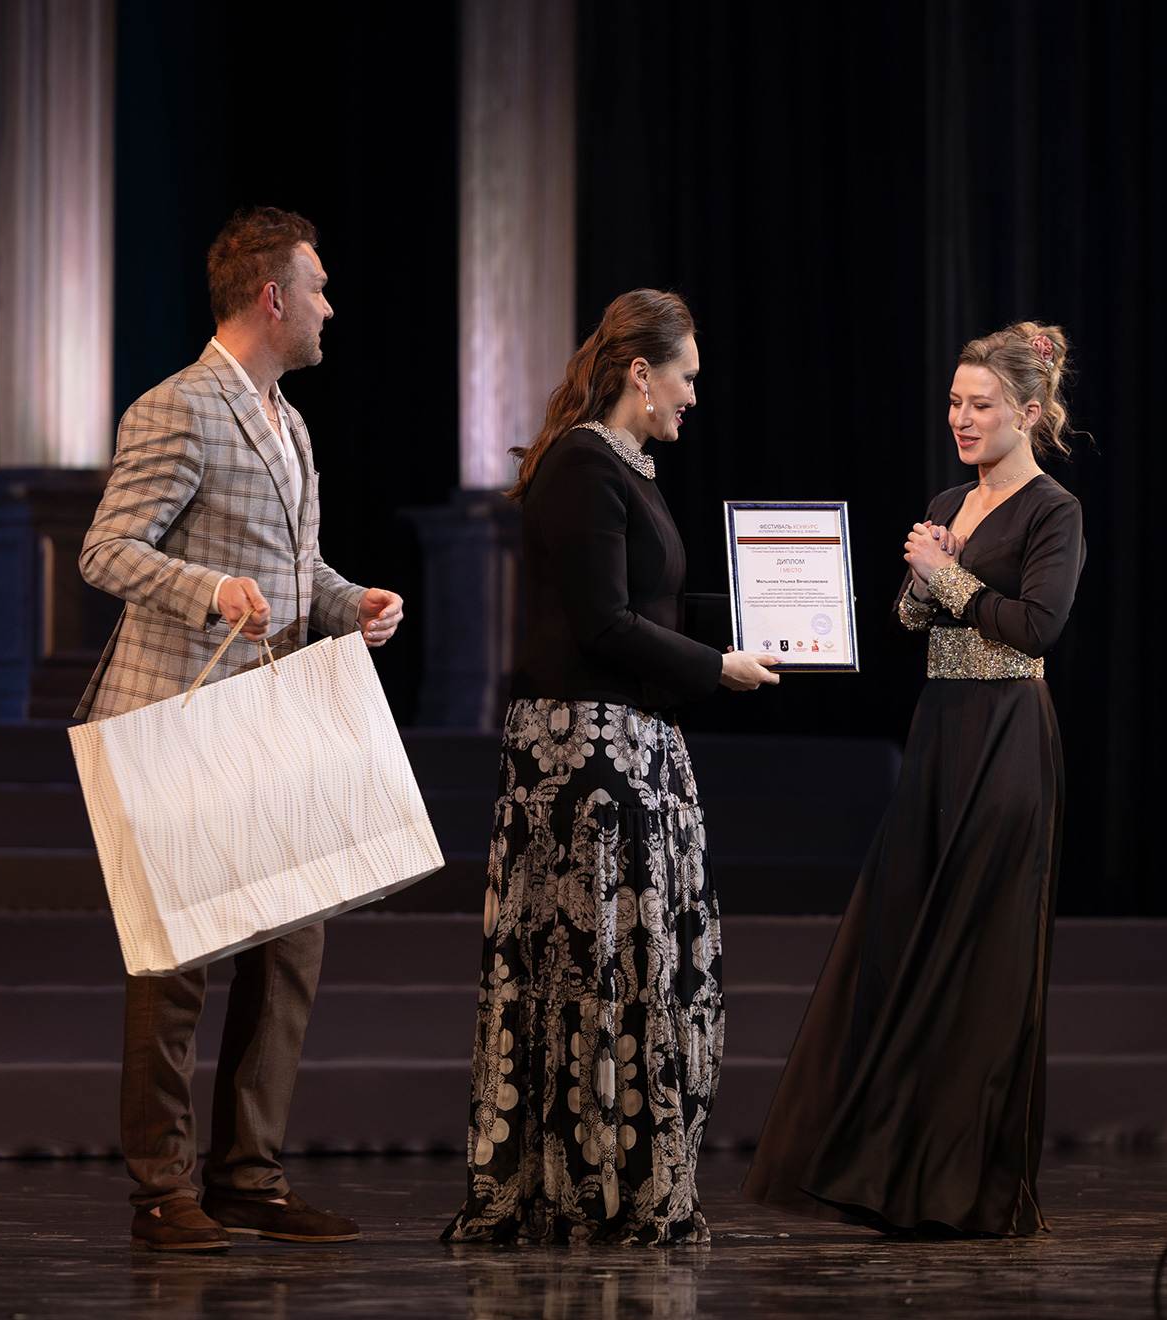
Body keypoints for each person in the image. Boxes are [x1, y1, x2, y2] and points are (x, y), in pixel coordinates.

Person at [77, 207, 405, 1253]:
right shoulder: (178, 407)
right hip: (179, 711)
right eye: (318, 288)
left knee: (292, 952)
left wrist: (350, 602)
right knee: (175, 966)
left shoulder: (288, 420)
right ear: (273, 298)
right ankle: (161, 1188)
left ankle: (249, 1175)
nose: (329, 308)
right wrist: (210, 589)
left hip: (270, 718)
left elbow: (294, 567)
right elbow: (107, 550)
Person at [443, 289, 780, 1245]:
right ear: (642, 372)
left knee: (628, 968)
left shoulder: (622, 467)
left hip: (629, 749)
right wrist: (715, 667)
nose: (694, 397)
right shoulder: (583, 465)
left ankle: (618, 1177)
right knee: (593, 969)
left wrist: (774, 618)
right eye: (687, 377)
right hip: (586, 763)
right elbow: (602, 623)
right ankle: (591, 1185)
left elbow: (650, 605)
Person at [742, 323, 1086, 1237]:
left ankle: (966, 1184)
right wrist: (920, 576)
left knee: (982, 954)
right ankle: (891, 1173)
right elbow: (910, 620)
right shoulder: (949, 499)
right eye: (955, 403)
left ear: (1028, 412)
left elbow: (1037, 627)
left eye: (981, 406)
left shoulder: (1053, 511)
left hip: (1007, 736)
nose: (962, 419)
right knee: (906, 944)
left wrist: (946, 573)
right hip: (940, 729)